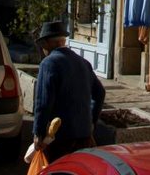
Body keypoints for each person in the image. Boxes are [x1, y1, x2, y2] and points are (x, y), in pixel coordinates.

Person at [32, 20, 106, 162]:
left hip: (59, 139)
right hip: (83, 136)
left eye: (42, 45)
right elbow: (100, 93)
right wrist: (91, 122)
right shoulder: (83, 62)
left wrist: (38, 132)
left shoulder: (49, 63)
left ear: (47, 44)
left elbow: (43, 102)